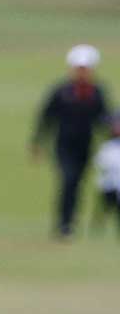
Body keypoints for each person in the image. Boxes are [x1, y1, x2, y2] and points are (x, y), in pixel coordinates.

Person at [30, 44, 111, 238]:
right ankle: (64, 224)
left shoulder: (96, 92)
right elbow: (46, 116)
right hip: (63, 145)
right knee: (69, 179)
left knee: (77, 184)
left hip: (85, 145)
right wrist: (38, 142)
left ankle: (69, 223)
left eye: (86, 68)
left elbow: (104, 119)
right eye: (79, 68)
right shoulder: (62, 91)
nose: (82, 72)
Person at [91, 118, 120, 239]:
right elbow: (99, 162)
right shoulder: (107, 147)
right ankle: (98, 225)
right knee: (105, 207)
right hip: (109, 184)